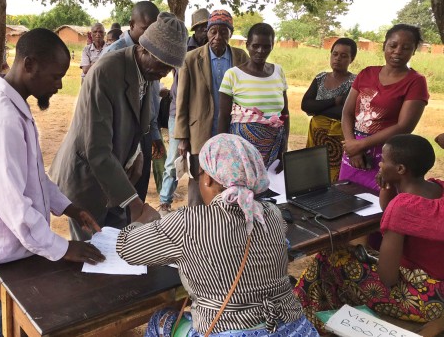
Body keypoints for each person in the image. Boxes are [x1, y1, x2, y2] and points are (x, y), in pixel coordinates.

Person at [0, 28, 105, 337]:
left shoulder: (13, 104)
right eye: (55, 77)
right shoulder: (1, 117)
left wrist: (68, 207)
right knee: (1, 325)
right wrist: (63, 247)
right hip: (6, 254)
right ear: (29, 65)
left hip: (20, 249)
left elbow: (33, 175)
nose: (58, 86)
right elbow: (12, 201)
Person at [117, 134, 319, 337]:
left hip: (227, 330)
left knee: (159, 320)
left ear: (209, 178)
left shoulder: (189, 222)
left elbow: (126, 247)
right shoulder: (272, 214)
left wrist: (142, 218)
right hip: (294, 329)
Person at [50, 13, 188, 241]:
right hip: (88, 181)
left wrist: (137, 154)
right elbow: (96, 149)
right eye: (163, 65)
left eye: (170, 68)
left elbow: (138, 124)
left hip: (117, 180)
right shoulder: (106, 72)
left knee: (119, 251)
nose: (164, 73)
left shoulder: (147, 72)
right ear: (144, 49)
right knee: (92, 256)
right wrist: (136, 205)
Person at [294, 134, 444, 333]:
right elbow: (388, 209)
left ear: (400, 169)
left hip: (424, 298)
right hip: (438, 288)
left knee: (328, 259)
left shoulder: (403, 207)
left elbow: (388, 277)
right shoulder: (438, 186)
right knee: (342, 258)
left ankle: (306, 322)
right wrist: (388, 185)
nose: (379, 164)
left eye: (383, 160)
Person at [340, 24, 429, 191]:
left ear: (414, 51)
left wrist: (361, 145)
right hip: (353, 151)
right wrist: (353, 146)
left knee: (377, 205)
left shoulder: (416, 82)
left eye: (406, 47)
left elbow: (404, 126)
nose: (397, 51)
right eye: (393, 45)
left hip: (386, 156)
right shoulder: (366, 73)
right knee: (344, 196)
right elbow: (347, 112)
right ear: (384, 46)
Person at [175, 10, 249, 207]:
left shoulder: (241, 57)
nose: (218, 37)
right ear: (207, 32)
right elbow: (182, 101)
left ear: (230, 34)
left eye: (223, 32)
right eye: (213, 31)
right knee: (199, 178)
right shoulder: (190, 58)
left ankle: (223, 219)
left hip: (231, 130)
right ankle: (196, 220)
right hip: (200, 130)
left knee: (229, 177)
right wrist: (182, 137)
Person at [101, 1, 162, 204]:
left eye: (155, 30)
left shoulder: (153, 53)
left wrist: (154, 134)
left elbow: (152, 98)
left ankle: (134, 234)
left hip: (142, 135)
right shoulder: (113, 56)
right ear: (131, 24)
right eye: (146, 29)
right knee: (117, 198)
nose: (151, 36)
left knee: (139, 194)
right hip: (117, 137)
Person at [158, 8, 210, 216]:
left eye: (209, 28)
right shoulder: (184, 50)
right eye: (203, 28)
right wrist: (182, 133)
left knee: (200, 160)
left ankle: (200, 203)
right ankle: (164, 201)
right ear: (195, 29)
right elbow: (180, 91)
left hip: (202, 115)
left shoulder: (212, 53)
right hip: (177, 112)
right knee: (174, 159)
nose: (207, 32)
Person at [218, 23, 288, 170]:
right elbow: (223, 117)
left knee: (272, 189)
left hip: (273, 149)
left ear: (272, 46)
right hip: (242, 152)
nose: (260, 51)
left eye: (266, 46)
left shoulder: (278, 72)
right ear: (247, 44)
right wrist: (224, 152)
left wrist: (284, 147)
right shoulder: (233, 75)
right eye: (255, 46)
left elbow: (285, 114)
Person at [302, 38, 357, 182]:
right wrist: (335, 101)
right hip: (317, 136)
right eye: (335, 54)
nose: (338, 59)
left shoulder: (355, 83)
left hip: (340, 138)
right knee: (313, 173)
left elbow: (345, 112)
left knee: (336, 175)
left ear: (352, 59)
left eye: (344, 56)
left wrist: (317, 108)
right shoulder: (320, 78)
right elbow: (305, 105)